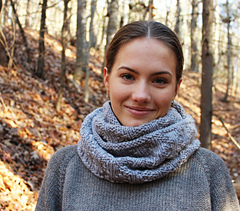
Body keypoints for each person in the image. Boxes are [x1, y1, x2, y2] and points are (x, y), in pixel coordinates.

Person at [35, 21, 240, 211]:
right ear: (107, 78)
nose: (141, 95)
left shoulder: (209, 171)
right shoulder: (65, 167)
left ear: (177, 87)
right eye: (127, 76)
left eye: (159, 80)